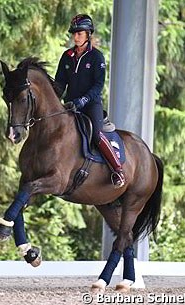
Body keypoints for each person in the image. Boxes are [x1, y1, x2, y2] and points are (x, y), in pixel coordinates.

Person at [55, 14, 125, 188]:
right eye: (74, 33)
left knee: (96, 134)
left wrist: (83, 100)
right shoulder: (67, 56)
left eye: (80, 33)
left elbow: (98, 85)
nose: (76, 36)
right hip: (70, 105)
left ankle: (117, 170)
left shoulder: (97, 57)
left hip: (91, 104)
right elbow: (60, 83)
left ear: (88, 34)